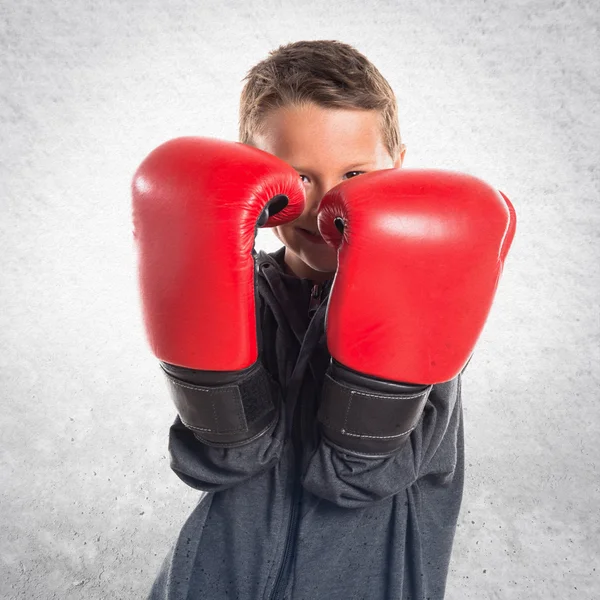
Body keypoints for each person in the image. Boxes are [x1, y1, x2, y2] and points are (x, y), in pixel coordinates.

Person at [132, 40, 516, 600]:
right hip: (215, 577)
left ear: (398, 169)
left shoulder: (424, 303)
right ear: (254, 173)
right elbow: (219, 463)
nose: (323, 205)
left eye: (355, 171)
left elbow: (355, 477)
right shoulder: (240, 288)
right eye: (300, 176)